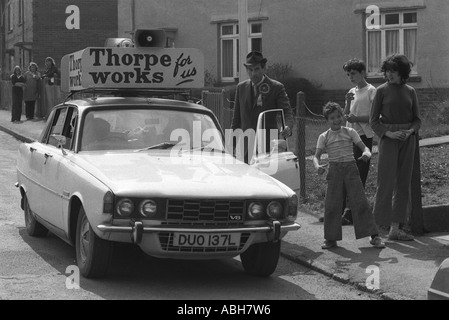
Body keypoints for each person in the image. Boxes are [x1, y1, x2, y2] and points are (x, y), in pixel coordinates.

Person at [313, 101, 384, 249]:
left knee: (360, 201)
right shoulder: (323, 136)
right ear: (327, 120)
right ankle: (331, 239)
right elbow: (316, 157)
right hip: (334, 171)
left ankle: (374, 236)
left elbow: (365, 148)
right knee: (332, 204)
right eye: (332, 118)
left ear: (342, 117)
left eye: (339, 116)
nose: (336, 120)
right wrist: (317, 165)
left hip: (351, 169)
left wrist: (366, 153)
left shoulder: (350, 132)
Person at [370, 54, 421, 241]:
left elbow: (417, 119)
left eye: (393, 71)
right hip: (389, 139)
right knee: (385, 183)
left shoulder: (410, 91)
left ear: (402, 73)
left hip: (407, 139)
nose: (389, 74)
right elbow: (373, 121)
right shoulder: (381, 91)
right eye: (387, 71)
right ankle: (374, 231)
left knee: (403, 183)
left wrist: (410, 132)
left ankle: (395, 229)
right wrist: (388, 133)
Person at [231, 51, 294, 163]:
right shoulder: (241, 88)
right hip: (245, 147)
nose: (253, 73)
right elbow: (236, 120)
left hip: (267, 147)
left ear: (263, 68)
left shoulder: (276, 87)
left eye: (256, 69)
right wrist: (231, 146)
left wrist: (287, 126)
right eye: (250, 70)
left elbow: (287, 112)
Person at [340, 58, 377, 225]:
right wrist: (347, 102)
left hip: (364, 138)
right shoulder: (351, 91)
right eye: (348, 75)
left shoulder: (371, 91)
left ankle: (352, 212)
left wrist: (357, 118)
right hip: (350, 137)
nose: (350, 77)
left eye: (353, 73)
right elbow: (346, 115)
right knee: (348, 173)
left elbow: (375, 117)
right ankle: (344, 209)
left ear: (363, 73)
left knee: (359, 174)